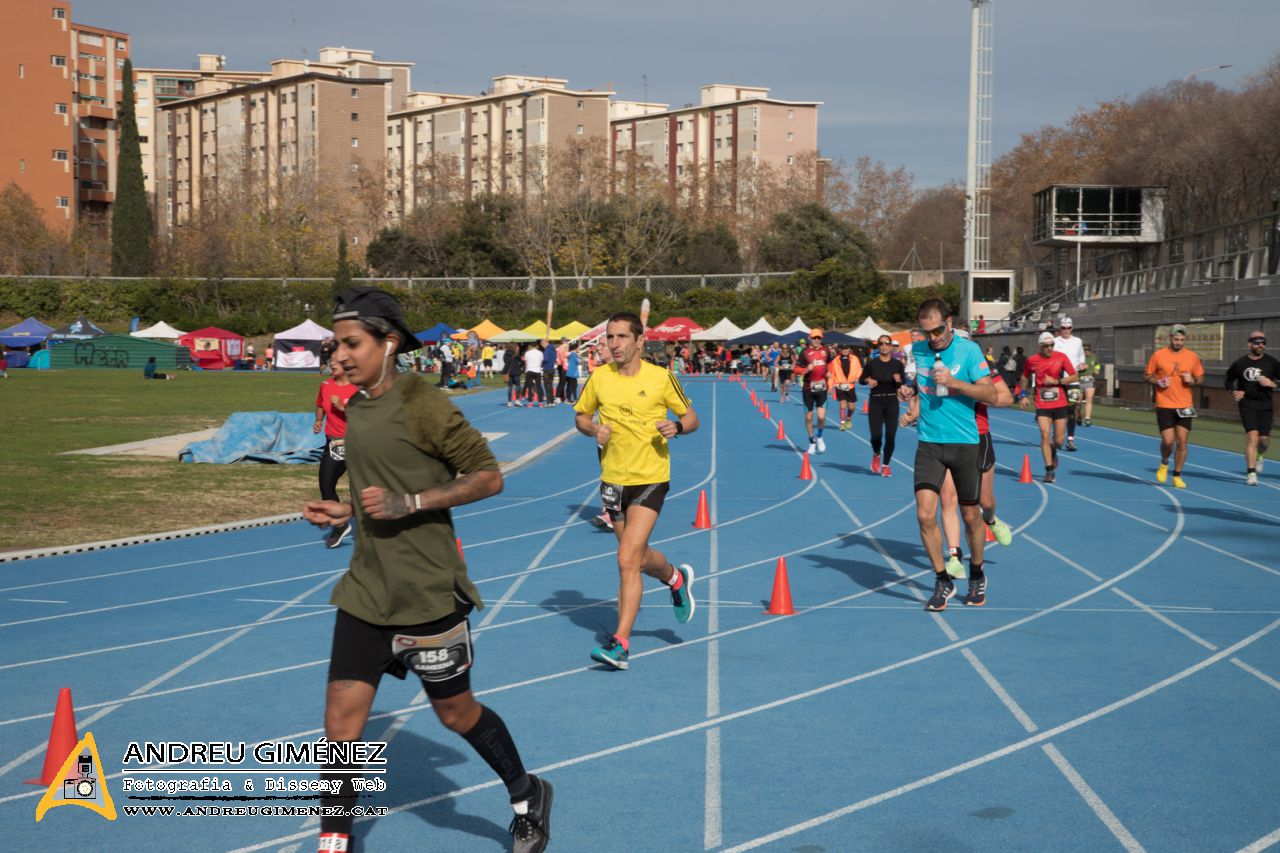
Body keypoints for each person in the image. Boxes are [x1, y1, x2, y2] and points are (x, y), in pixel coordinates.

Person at [302, 287, 553, 853]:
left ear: (389, 343)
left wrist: (409, 504)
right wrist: (346, 511)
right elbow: (380, 490)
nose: (338, 356)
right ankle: (335, 843)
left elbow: (489, 476)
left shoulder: (424, 402)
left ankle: (526, 792)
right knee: (340, 726)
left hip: (427, 592)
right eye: (334, 345)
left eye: (351, 344)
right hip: (367, 590)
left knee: (455, 712)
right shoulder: (359, 407)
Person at [573, 311, 699, 670]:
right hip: (613, 480)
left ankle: (621, 644)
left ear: (639, 341)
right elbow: (580, 416)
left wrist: (676, 426)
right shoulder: (599, 378)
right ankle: (675, 577)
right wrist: (591, 429)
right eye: (610, 337)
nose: (613, 343)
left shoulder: (661, 378)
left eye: (621, 337)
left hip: (650, 478)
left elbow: (692, 418)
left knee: (627, 559)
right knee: (638, 558)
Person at [899, 298, 998, 611]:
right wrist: (910, 393)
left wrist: (956, 383)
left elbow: (991, 393)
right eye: (927, 332)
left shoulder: (969, 351)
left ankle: (977, 573)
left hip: (965, 442)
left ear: (950, 322)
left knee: (971, 517)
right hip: (929, 443)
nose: (933, 337)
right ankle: (942, 580)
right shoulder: (919, 351)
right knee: (925, 515)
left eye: (938, 330)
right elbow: (919, 383)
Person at [1145, 324, 1205, 488]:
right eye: (1176, 339)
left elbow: (1200, 378)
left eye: (1182, 340)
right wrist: (1158, 381)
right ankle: (1164, 462)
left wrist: (1192, 381)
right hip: (1164, 403)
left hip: (1185, 405)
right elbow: (1147, 376)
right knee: (1168, 441)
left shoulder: (1192, 357)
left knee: (1183, 442)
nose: (1179, 342)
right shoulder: (1158, 355)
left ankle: (1177, 474)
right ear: (1170, 338)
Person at [313, 348, 360, 548]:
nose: (331, 365)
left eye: (336, 362)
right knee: (326, 484)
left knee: (358, 489)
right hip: (334, 443)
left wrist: (343, 407)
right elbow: (320, 404)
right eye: (330, 361)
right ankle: (340, 525)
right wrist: (318, 419)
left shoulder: (358, 389)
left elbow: (367, 416)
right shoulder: (325, 385)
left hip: (358, 444)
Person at [1019, 332, 1077, 483]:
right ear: (1041, 346)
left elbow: (1075, 376)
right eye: (1046, 346)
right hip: (1042, 403)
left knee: (1058, 440)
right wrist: (1023, 394)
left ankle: (1053, 450)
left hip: (1060, 403)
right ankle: (1049, 471)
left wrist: (1057, 381)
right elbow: (1024, 376)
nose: (1050, 348)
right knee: (1045, 435)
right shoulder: (1032, 360)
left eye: (1052, 345)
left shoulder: (1061, 357)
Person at [1225, 331, 1278, 485]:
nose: (1260, 345)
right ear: (1249, 344)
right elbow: (1228, 381)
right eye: (1257, 342)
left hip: (1266, 405)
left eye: (1263, 342)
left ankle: (1260, 455)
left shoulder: (1272, 363)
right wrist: (1233, 392)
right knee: (1252, 437)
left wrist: (1272, 384)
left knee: (1264, 441)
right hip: (1247, 404)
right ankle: (1251, 473)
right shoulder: (1239, 364)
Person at [861, 335, 905, 476]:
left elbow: (902, 382)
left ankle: (886, 465)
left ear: (891, 346)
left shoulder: (897, 364)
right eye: (881, 343)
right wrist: (868, 380)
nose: (884, 346)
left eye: (887, 343)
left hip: (892, 401)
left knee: (891, 436)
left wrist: (899, 381)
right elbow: (861, 379)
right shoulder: (872, 364)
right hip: (876, 401)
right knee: (876, 435)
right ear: (878, 346)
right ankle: (876, 453)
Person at [794, 329, 832, 455]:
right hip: (808, 388)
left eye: (819, 338)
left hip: (822, 387)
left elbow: (830, 363)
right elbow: (796, 369)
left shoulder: (826, 351)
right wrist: (805, 369)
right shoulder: (805, 352)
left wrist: (829, 373)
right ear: (810, 338)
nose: (817, 340)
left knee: (821, 416)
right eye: (814, 338)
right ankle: (811, 441)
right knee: (809, 417)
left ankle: (820, 436)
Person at [1053, 318, 1087, 452]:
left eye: (1068, 328)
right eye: (1063, 328)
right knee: (1057, 410)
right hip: (1058, 381)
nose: (1066, 330)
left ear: (1072, 328)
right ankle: (1057, 435)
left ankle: (1070, 440)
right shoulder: (1055, 342)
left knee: (1072, 409)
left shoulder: (1078, 341)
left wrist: (1082, 365)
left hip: (1073, 381)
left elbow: (1081, 357)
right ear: (1060, 329)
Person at [828, 343, 862, 432]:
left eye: (846, 348)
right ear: (840, 350)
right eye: (843, 349)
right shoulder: (835, 361)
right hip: (840, 385)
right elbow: (831, 374)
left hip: (850, 385)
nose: (845, 350)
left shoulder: (855, 359)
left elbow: (859, 369)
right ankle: (842, 423)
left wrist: (858, 377)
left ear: (849, 349)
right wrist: (830, 387)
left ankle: (848, 418)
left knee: (851, 407)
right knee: (842, 405)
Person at [1079, 342, 1101, 425]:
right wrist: (1081, 368)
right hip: (1079, 380)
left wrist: (1096, 370)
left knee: (1089, 399)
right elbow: (1073, 368)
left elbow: (1097, 366)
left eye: (1088, 350)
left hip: (1090, 381)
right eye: (1085, 350)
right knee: (1078, 402)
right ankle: (1078, 415)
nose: (1086, 351)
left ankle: (1087, 418)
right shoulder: (1079, 357)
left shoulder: (1094, 357)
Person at [522, 342, 545, 406]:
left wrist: (525, 370)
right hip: (537, 370)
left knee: (529, 387)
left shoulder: (527, 353)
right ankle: (540, 403)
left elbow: (525, 362)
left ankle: (530, 402)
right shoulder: (540, 353)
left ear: (530, 346)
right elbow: (541, 361)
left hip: (529, 370)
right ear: (537, 346)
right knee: (539, 386)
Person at [540, 338, 558, 406]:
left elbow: (546, 359)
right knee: (550, 385)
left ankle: (549, 402)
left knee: (547, 386)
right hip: (552, 368)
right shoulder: (553, 350)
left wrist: (542, 362)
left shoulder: (547, 350)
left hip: (547, 369)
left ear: (544, 343)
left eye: (542, 345)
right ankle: (552, 401)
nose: (542, 347)